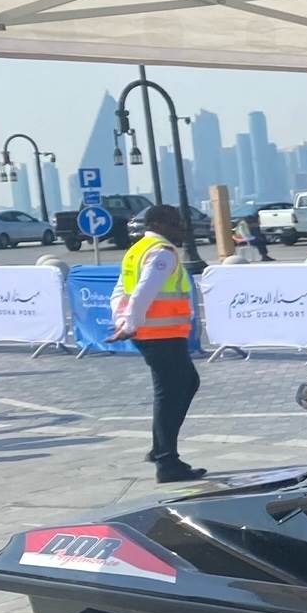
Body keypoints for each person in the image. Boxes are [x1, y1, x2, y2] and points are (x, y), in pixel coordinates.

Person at [108, 203, 204, 483]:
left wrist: (123, 321)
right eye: (175, 223)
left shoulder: (136, 250)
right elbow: (142, 291)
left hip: (156, 333)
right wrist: (131, 324)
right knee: (171, 393)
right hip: (160, 334)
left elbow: (118, 291)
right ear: (159, 224)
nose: (181, 229)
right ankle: (167, 462)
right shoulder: (162, 252)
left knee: (187, 383)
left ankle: (160, 448)